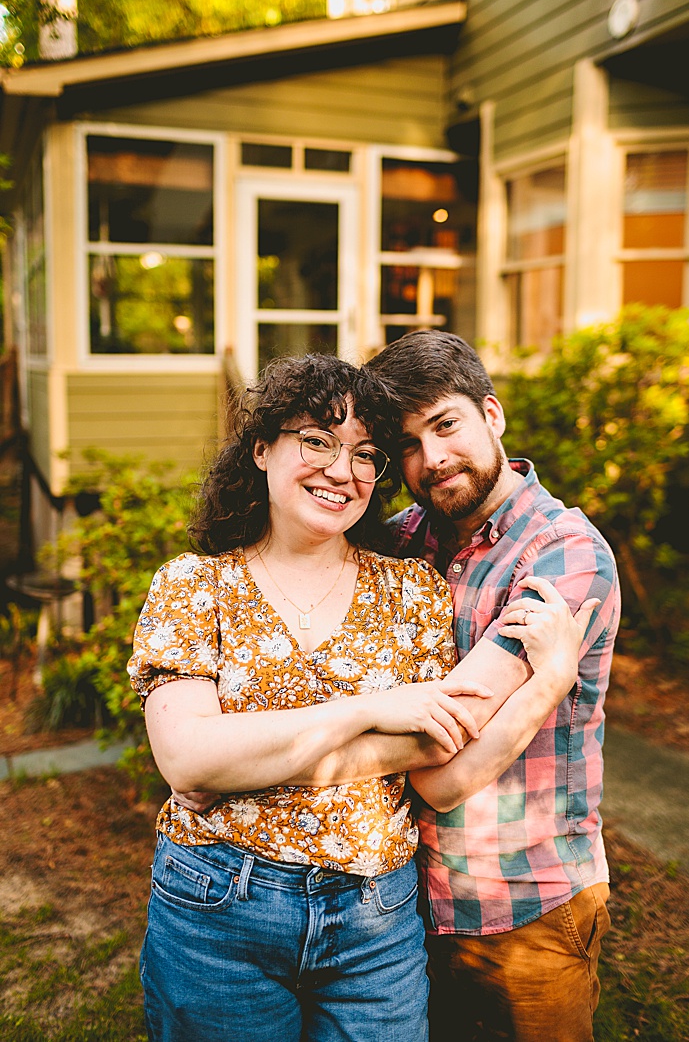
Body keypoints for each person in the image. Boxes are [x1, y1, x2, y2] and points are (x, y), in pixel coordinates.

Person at [130, 354, 595, 1042]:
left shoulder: (413, 588)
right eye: (317, 439)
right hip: (220, 904)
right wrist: (367, 709)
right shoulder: (195, 585)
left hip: (376, 919)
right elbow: (188, 759)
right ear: (262, 448)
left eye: (366, 454)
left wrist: (238, 754)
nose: (340, 469)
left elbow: (439, 756)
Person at [366, 330, 622, 1042]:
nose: (433, 458)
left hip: (529, 899)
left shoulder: (564, 553)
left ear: (492, 413)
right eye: (409, 444)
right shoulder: (397, 542)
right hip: (403, 905)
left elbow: (440, 761)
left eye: (445, 425)